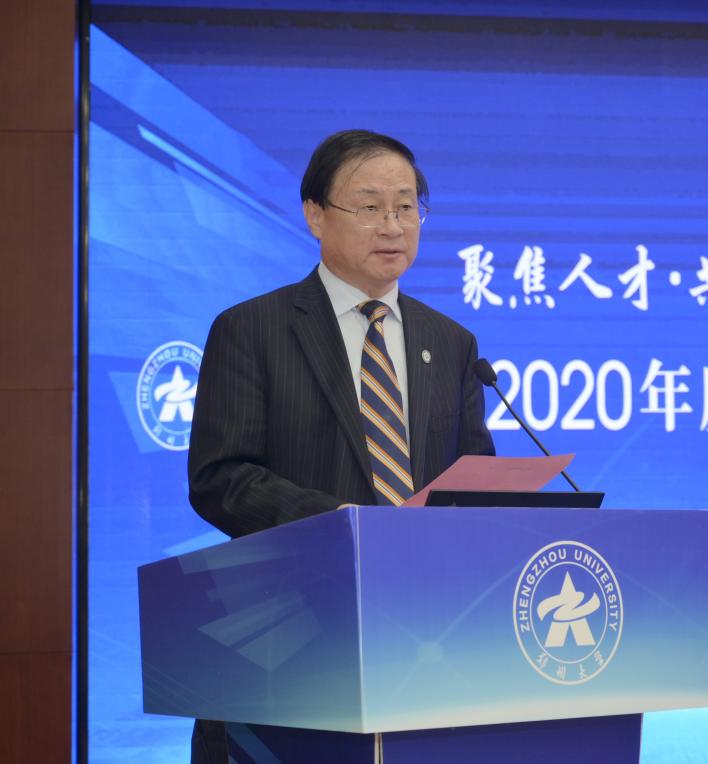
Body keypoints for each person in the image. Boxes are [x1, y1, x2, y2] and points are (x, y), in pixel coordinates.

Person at [186, 129, 495, 762]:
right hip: (289, 638)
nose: (393, 225)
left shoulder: (452, 343)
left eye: (406, 207)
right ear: (315, 215)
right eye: (370, 206)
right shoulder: (252, 329)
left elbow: (473, 480)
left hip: (425, 640)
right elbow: (221, 478)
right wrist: (342, 525)